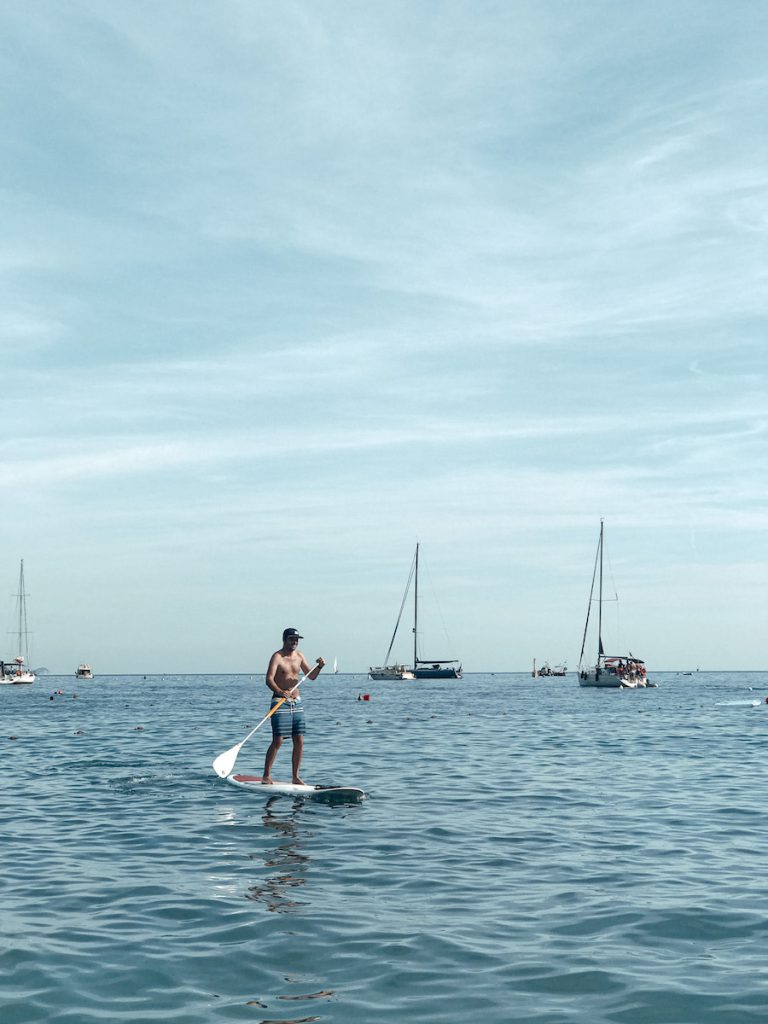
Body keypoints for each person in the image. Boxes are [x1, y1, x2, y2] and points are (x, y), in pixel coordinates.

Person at [263, 627, 325, 785]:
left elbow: (311, 676)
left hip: (296, 702)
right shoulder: (277, 657)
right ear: (284, 640)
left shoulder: (299, 656)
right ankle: (266, 776)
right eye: (291, 639)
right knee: (278, 740)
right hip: (280, 702)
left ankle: (295, 777)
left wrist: (319, 667)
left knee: (299, 740)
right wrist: (279, 691)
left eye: (296, 640)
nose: (294, 642)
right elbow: (269, 679)